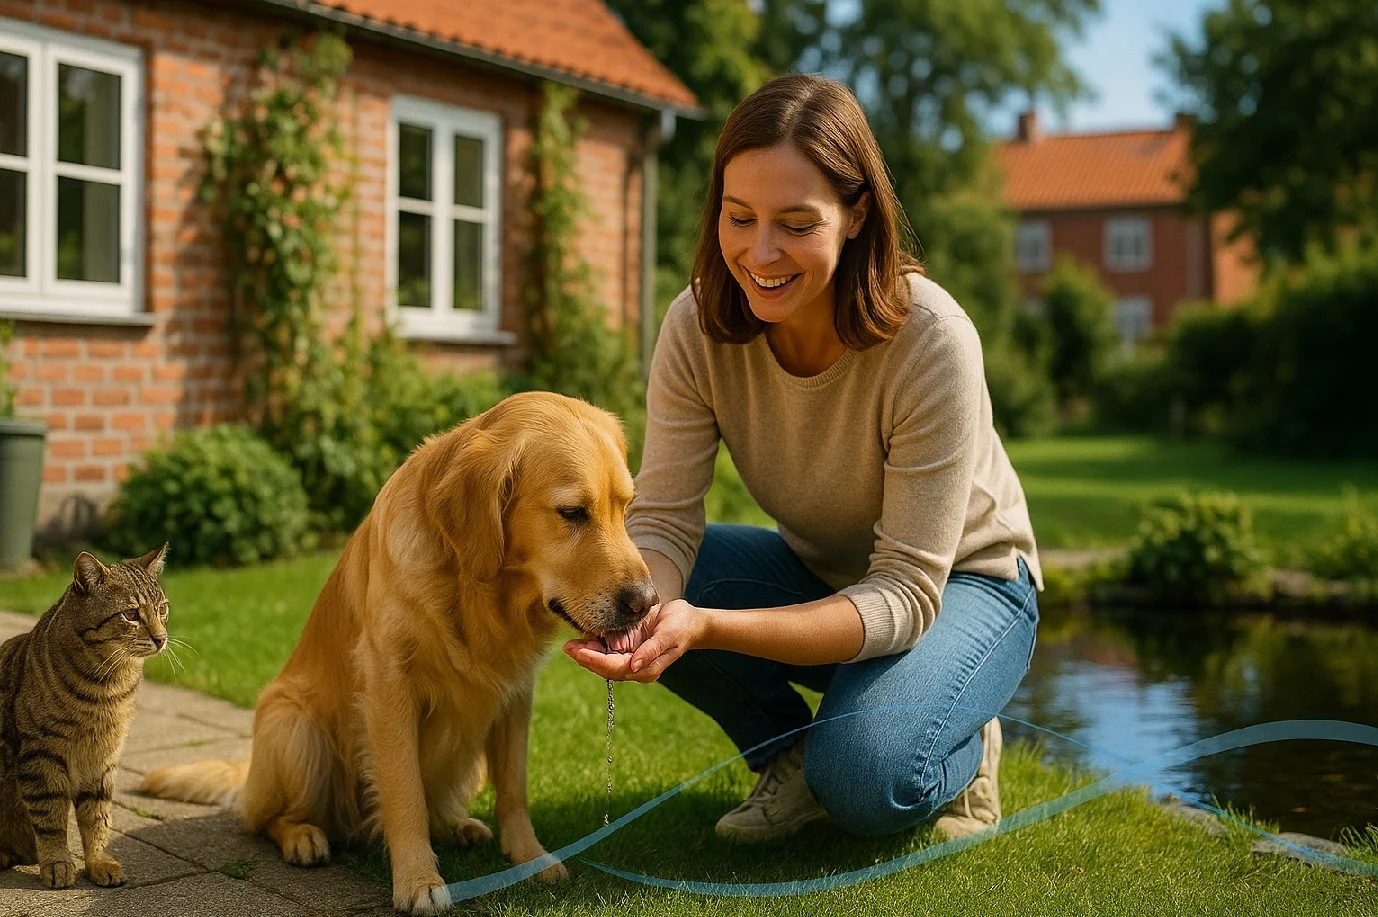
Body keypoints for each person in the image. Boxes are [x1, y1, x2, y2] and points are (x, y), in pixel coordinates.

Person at [563, 72, 1041, 844]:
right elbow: (663, 520)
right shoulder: (695, 326)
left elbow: (906, 591)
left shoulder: (932, 340)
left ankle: (960, 741)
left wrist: (705, 626)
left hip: (964, 584)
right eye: (739, 216)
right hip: (826, 571)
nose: (760, 252)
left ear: (857, 215)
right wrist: (655, 614)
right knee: (636, 585)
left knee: (865, 778)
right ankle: (787, 753)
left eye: (795, 223)